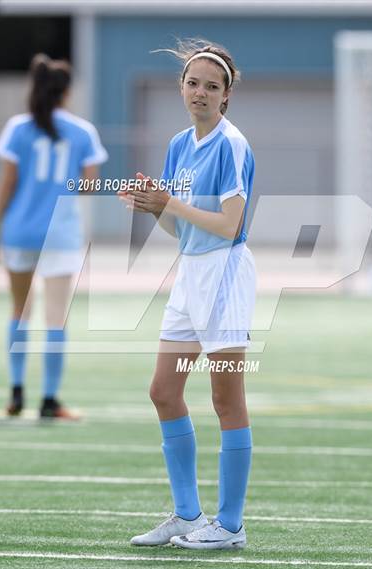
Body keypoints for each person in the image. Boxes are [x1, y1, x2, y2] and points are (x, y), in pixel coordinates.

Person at [119, 39, 256, 550]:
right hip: (191, 275)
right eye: (193, 82)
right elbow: (184, 231)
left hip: (224, 276)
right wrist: (153, 206)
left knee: (226, 400)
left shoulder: (231, 144)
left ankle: (231, 526)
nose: (200, 91)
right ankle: (185, 513)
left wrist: (169, 201)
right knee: (164, 391)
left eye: (212, 86)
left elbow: (228, 225)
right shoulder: (180, 144)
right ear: (182, 87)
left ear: (226, 97)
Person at [0, 53, 108, 419]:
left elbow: (8, 183)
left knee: (19, 311)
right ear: (66, 92)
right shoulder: (83, 132)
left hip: (19, 230)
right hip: (60, 233)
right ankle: (50, 401)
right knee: (56, 317)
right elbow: (88, 185)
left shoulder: (18, 128)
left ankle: (17, 392)